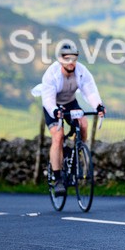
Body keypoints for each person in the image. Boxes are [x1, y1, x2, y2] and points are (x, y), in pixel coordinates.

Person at [40, 43, 105, 196]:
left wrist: (98, 106)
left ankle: (77, 154)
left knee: (83, 124)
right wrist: (55, 111)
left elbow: (90, 91)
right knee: (58, 135)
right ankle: (57, 179)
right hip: (53, 106)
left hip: (70, 103)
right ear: (60, 59)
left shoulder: (82, 71)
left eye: (74, 58)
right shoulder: (51, 74)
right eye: (66, 58)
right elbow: (48, 99)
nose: (71, 62)